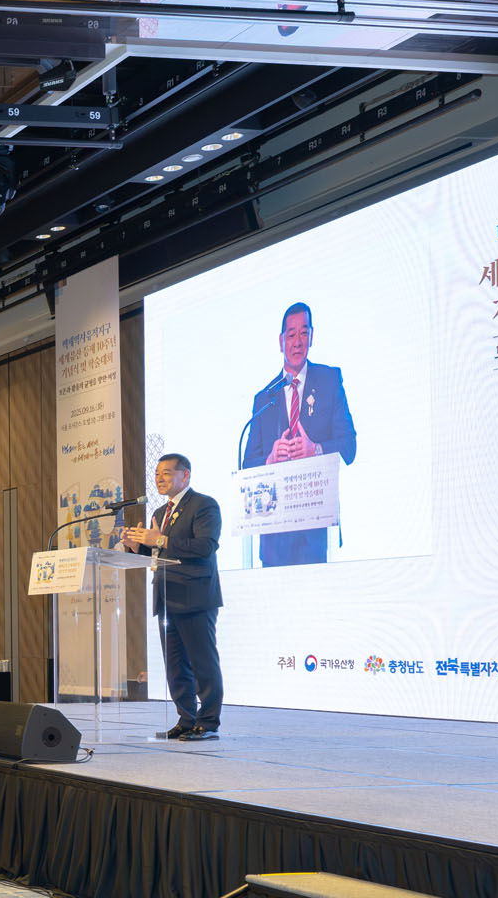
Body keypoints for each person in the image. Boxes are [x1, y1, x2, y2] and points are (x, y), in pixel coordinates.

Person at [243, 301, 358, 568]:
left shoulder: (330, 380)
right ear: (281, 341)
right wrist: (270, 459)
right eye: (291, 335)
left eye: (304, 333)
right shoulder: (264, 397)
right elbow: (248, 464)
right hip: (274, 537)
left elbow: (349, 446)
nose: (297, 342)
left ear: (312, 337)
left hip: (315, 531)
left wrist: (315, 450)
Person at [123, 452, 224, 739]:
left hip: (195, 597)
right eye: (157, 474)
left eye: (166, 473)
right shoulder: (159, 513)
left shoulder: (204, 505)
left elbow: (205, 546)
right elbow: (159, 550)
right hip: (166, 597)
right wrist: (137, 546)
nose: (159, 479)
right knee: (175, 667)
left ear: (185, 475)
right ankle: (186, 719)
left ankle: (208, 722)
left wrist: (160, 539)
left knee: (203, 663)